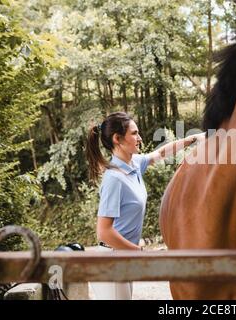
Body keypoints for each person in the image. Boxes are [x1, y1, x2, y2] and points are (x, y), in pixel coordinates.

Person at [85, 111, 203, 299]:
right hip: (111, 260)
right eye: (134, 133)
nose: (139, 138)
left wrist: (192, 139)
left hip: (123, 256)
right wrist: (139, 252)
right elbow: (104, 231)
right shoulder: (114, 178)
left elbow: (160, 153)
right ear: (117, 139)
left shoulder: (134, 164)